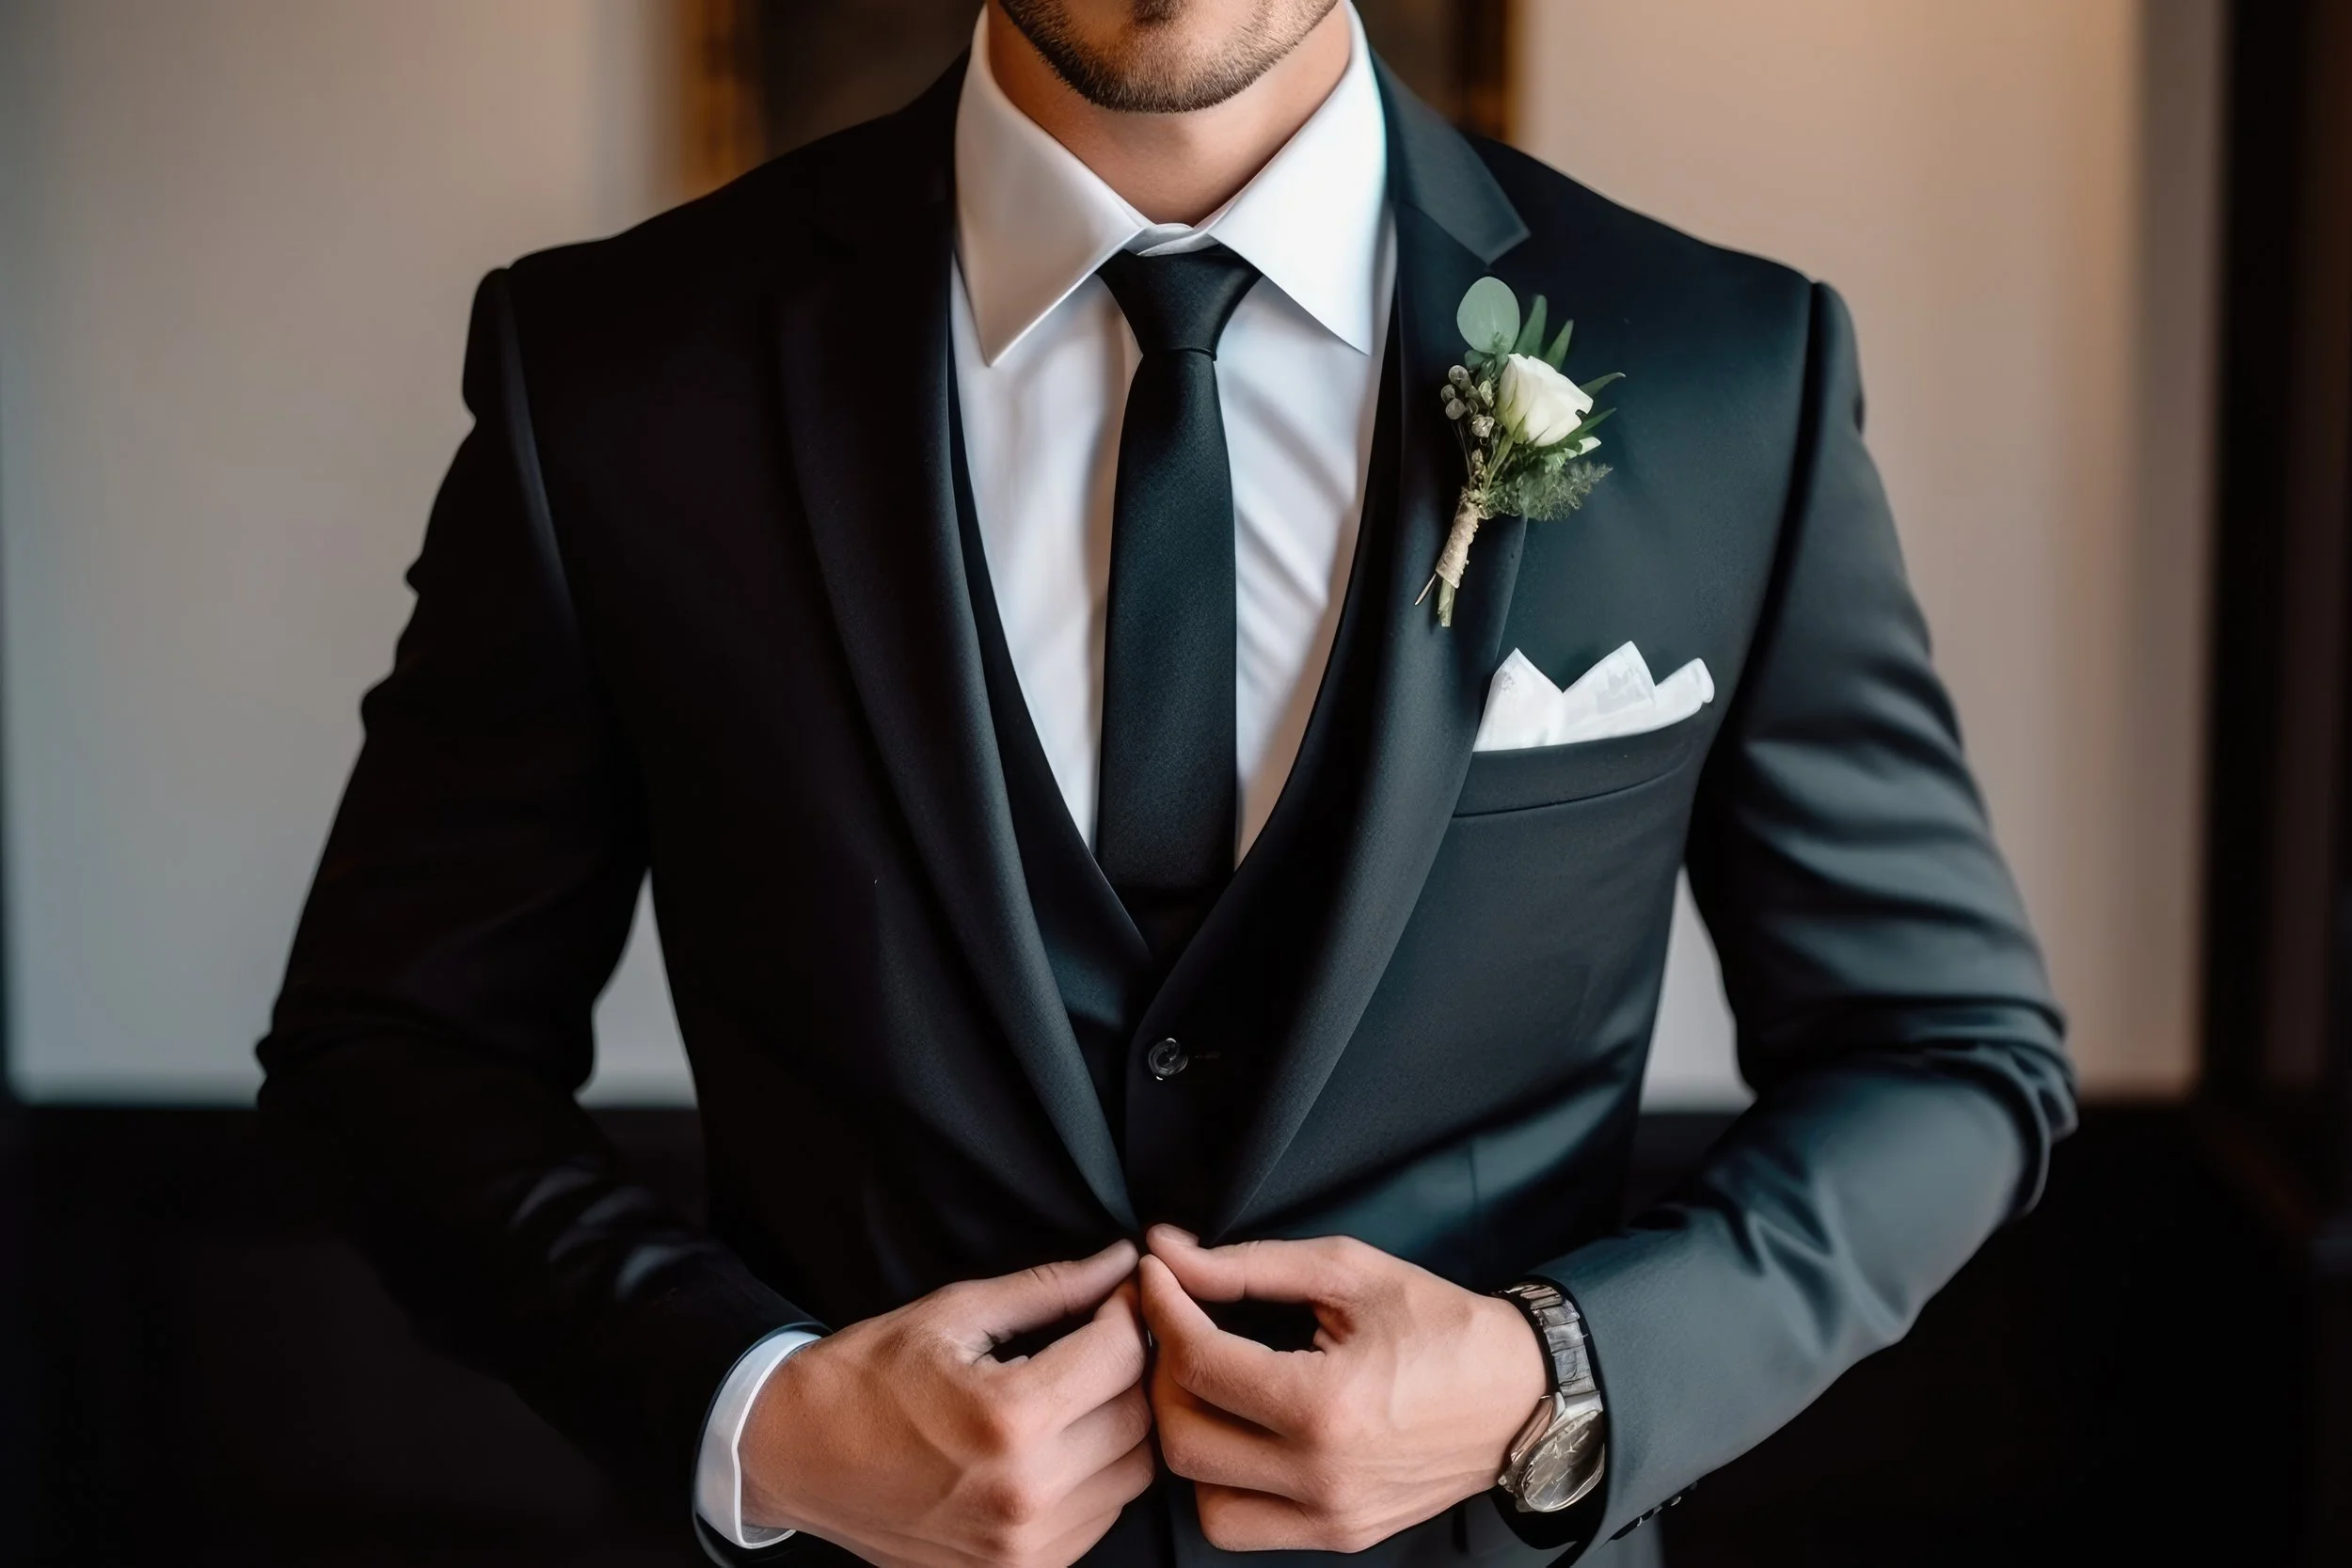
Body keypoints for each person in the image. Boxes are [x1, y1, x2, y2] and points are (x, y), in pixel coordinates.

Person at [259, 3, 2074, 1565]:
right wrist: (764, 1411)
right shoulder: (612, 374)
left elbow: (1948, 1052)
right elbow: (390, 1050)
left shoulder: (1724, 372)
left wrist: (1556, 1371)